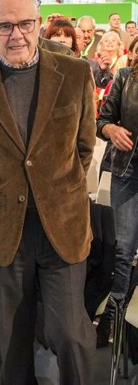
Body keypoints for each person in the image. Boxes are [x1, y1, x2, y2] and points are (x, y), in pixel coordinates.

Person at [0, 0, 96, 385]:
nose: (16, 34)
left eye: (25, 23)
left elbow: (84, 147)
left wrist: (56, 188)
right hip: (2, 229)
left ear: (39, 23)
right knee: (13, 338)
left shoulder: (75, 72)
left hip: (62, 226)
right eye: (4, 25)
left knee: (71, 332)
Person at [95, 35, 138, 346]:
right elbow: (102, 120)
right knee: (123, 250)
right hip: (128, 173)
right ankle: (113, 319)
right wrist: (111, 129)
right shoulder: (125, 78)